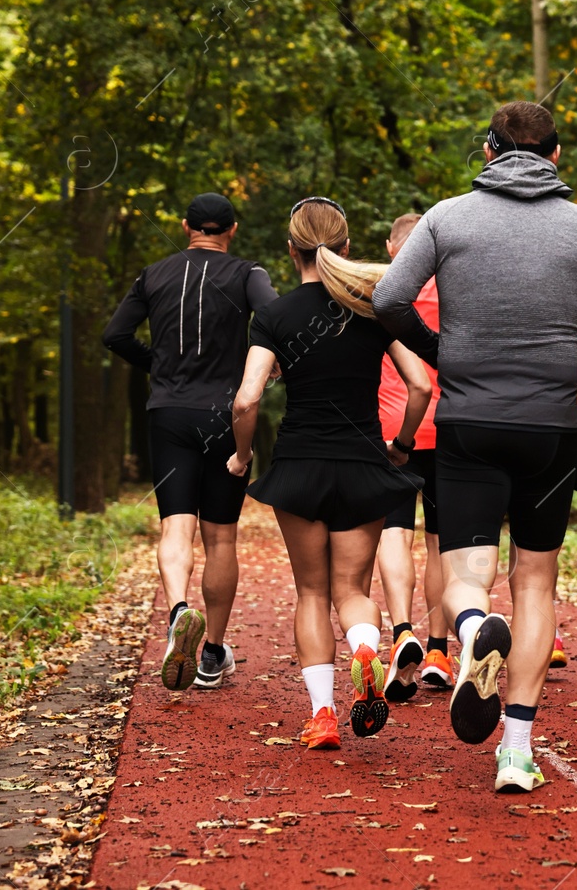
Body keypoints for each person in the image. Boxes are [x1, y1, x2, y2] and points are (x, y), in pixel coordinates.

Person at [372, 102, 577, 792]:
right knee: (535, 580)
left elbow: (387, 299)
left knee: (468, 575)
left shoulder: (446, 216)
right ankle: (518, 752)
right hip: (551, 429)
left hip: (468, 420)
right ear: (556, 156)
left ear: (490, 153)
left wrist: (442, 352)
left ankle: (470, 631)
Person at [227, 198, 432, 750]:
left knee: (311, 593)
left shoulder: (274, 314)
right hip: (365, 461)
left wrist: (242, 457)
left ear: (290, 250)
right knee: (351, 589)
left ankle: (322, 715)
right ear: (345, 247)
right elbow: (420, 385)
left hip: (299, 464)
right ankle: (366, 648)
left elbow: (247, 400)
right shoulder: (372, 308)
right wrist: (402, 445)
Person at [103, 192, 278, 693]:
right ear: (233, 229)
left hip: (169, 411)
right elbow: (273, 323)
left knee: (175, 527)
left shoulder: (152, 274)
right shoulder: (249, 274)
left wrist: (158, 365)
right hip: (226, 412)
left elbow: (115, 335)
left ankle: (179, 609)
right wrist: (260, 371)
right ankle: (213, 653)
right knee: (220, 536)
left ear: (185, 227)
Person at [373, 212, 455, 700]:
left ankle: (403, 631)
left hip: (391, 433)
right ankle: (440, 651)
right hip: (447, 429)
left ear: (390, 247)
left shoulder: (378, 292)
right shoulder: (454, 290)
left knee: (394, 536)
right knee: (441, 544)